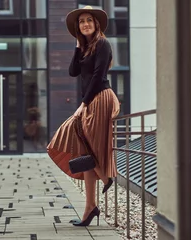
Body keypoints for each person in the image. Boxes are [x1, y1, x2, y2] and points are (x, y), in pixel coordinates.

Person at [47, 5, 120, 227]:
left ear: (96, 23)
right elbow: (73, 71)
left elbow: (99, 76)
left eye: (89, 20)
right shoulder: (86, 47)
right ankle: (90, 207)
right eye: (81, 21)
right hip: (91, 100)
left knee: (78, 138)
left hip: (100, 98)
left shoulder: (103, 44)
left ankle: (106, 177)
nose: (85, 24)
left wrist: (83, 104)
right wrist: (78, 47)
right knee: (84, 147)